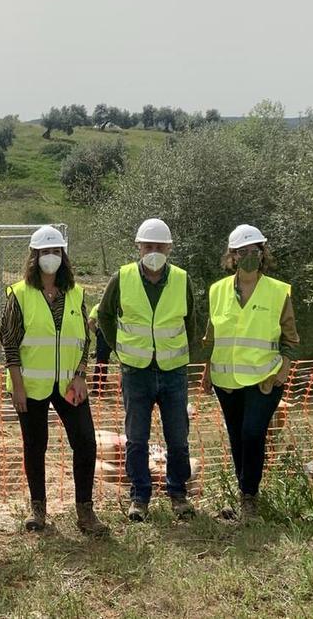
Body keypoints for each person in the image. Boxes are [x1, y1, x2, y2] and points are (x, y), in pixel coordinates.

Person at [0, 226, 109, 537]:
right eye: (45, 252)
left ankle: (85, 511)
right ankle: (38, 509)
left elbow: (85, 340)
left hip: (68, 386)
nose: (51, 258)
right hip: (30, 387)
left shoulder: (76, 294)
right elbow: (9, 342)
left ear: (64, 256)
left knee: (86, 442)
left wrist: (81, 375)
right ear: (34, 257)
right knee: (35, 446)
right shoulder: (19, 294)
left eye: (56, 252)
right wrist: (17, 385)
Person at [97, 218, 202, 522]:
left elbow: (191, 320)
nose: (153, 251)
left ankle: (178, 494)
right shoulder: (122, 277)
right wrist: (121, 349)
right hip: (136, 372)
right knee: (136, 438)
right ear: (138, 247)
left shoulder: (182, 279)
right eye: (148, 246)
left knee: (178, 437)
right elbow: (104, 314)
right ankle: (139, 497)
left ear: (169, 248)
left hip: (173, 371)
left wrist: (182, 355)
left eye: (159, 246)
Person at [202, 225, 299, 519]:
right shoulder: (217, 290)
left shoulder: (278, 291)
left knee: (253, 432)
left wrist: (282, 372)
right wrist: (207, 369)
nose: (248, 257)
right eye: (242, 252)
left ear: (263, 254)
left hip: (265, 378)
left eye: (254, 251)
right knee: (236, 436)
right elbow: (211, 335)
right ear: (231, 257)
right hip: (226, 380)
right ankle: (245, 490)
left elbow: (290, 338)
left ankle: (249, 496)